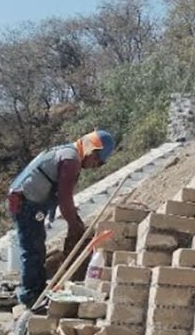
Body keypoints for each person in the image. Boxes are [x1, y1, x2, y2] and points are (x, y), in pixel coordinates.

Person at [7, 129, 115, 308]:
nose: (95, 166)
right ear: (92, 151)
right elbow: (65, 199)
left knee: (37, 248)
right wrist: (75, 225)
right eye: (97, 162)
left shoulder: (68, 153)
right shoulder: (70, 159)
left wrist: (73, 216)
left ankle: (37, 291)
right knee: (32, 250)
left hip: (29, 201)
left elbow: (63, 197)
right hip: (25, 203)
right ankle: (30, 297)